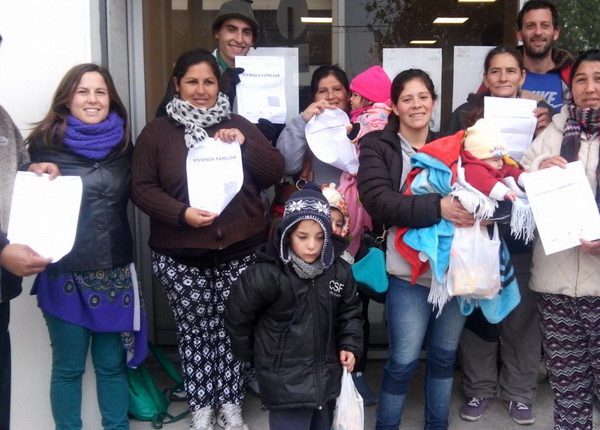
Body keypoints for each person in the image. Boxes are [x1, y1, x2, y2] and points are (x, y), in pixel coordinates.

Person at [131, 48, 284, 430]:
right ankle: (202, 405)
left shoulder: (237, 123)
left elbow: (274, 171)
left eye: (209, 82)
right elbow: (141, 188)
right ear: (177, 85)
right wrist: (180, 213)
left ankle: (230, 404)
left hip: (239, 249)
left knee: (233, 327)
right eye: (192, 82)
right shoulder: (157, 133)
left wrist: (245, 143)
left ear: (220, 85)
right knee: (195, 331)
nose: (201, 90)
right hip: (180, 253)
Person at [26, 63, 146, 430]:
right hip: (64, 272)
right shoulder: (43, 145)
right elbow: (22, 203)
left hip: (114, 273)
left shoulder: (125, 145)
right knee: (68, 368)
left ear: (111, 100)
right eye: (83, 91)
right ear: (67, 98)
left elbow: (149, 187)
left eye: (100, 92)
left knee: (111, 366)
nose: (92, 99)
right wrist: (32, 174)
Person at [357, 68, 474, 429]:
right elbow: (379, 201)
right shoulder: (378, 145)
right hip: (405, 273)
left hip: (452, 272)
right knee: (403, 360)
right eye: (407, 99)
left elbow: (481, 187)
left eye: (423, 97)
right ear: (394, 106)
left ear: (434, 102)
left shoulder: (454, 145)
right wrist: (438, 207)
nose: (416, 105)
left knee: (444, 357)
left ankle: (437, 424)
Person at [445, 47, 545, 426]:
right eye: (495, 71)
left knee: (521, 317)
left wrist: (544, 126)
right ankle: (479, 388)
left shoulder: (540, 116)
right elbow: (447, 163)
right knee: (478, 314)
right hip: (477, 234)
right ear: (485, 77)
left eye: (511, 71)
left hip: (521, 234)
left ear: (522, 76)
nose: (503, 78)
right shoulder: (464, 115)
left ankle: (519, 392)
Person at [225, 185, 363, 430]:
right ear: (288, 234)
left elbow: (350, 312)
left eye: (320, 237)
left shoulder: (338, 271)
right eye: (303, 236)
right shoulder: (268, 274)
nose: (312, 245)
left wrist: (349, 345)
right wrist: (252, 358)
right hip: (284, 384)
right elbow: (238, 315)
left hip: (325, 380)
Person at [520, 48, 600, 430]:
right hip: (556, 284)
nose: (590, 87)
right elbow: (518, 177)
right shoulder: (552, 132)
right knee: (568, 391)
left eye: (598, 79)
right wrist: (539, 168)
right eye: (581, 79)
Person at [517, 0, 574, 114]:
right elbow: (480, 112)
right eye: (530, 26)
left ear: (556, 33)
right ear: (519, 34)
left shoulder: (573, 76)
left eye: (544, 25)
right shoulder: (501, 74)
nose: (538, 32)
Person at [461, 118, 526, 203]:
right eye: (496, 160)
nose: (501, 163)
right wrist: (504, 192)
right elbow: (484, 181)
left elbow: (510, 170)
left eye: (502, 158)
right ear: (478, 158)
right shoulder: (472, 168)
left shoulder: (496, 164)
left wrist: (524, 179)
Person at [348, 65, 392, 143]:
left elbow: (374, 134)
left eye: (355, 95)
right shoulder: (365, 113)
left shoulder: (380, 115)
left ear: (370, 99)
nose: (350, 99)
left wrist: (356, 130)